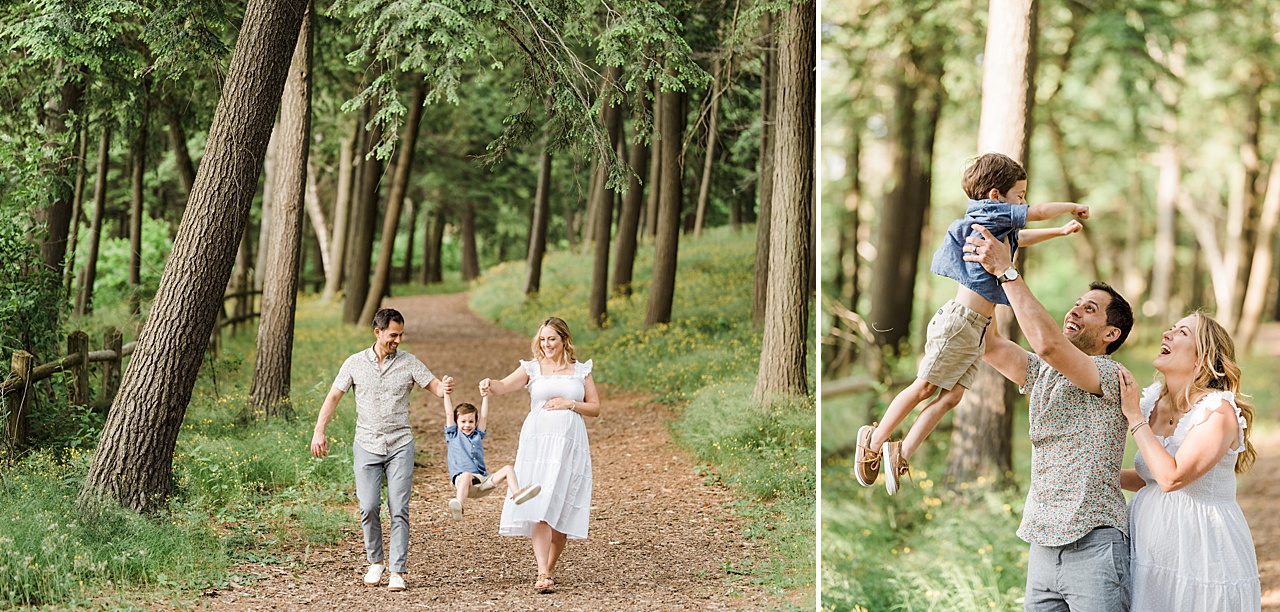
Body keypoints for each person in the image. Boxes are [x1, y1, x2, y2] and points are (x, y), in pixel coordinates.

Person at [857, 152, 1089, 494]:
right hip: (959, 323)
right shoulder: (988, 212)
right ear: (996, 196)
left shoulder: (999, 227)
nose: (1024, 203)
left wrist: (1059, 232)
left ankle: (900, 453)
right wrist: (1071, 206)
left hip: (977, 330)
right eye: (1020, 196)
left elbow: (1019, 240)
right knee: (924, 387)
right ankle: (873, 441)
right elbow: (1036, 214)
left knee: (951, 398)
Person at [965, 223, 1135, 611]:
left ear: (1111, 333)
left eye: (1089, 309)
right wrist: (977, 270)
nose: (1075, 309)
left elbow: (1048, 344)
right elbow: (987, 343)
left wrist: (1007, 271)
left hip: (1095, 548)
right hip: (1042, 548)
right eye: (1076, 302)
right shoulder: (1044, 372)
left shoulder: (1110, 375)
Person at [1116, 312, 1260, 610]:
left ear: (1202, 357)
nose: (1166, 335)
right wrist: (1101, 474)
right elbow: (1151, 478)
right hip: (1148, 549)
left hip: (1202, 552)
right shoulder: (1153, 401)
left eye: (1181, 332)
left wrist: (1134, 417)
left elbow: (1172, 478)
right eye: (1170, 329)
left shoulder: (1217, 411)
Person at [310, 308, 452, 593]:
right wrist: (319, 430)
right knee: (368, 506)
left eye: (401, 335)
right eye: (393, 335)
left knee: (399, 508)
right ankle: (375, 561)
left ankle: (397, 570)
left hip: (400, 444)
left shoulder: (409, 363)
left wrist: (444, 385)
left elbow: (434, 386)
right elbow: (334, 396)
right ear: (378, 332)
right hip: (366, 444)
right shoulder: (354, 363)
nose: (398, 340)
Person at [479, 317, 599, 592]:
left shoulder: (581, 370)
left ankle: (550, 566)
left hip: (569, 446)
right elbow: (503, 386)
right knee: (541, 505)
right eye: (543, 339)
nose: (546, 344)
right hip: (538, 445)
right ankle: (542, 571)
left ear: (564, 340)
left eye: (552, 339)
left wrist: (570, 403)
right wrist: (489, 384)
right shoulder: (532, 368)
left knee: (562, 507)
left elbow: (595, 407)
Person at [443, 391, 541, 520]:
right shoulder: (453, 435)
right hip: (465, 483)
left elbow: (484, 417)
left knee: (508, 469)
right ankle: (459, 505)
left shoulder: (477, 435)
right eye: (463, 421)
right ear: (456, 423)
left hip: (483, 482)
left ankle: (517, 494)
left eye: (471, 421)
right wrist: (446, 393)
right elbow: (449, 413)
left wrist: (485, 396)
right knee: (466, 474)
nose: (467, 425)